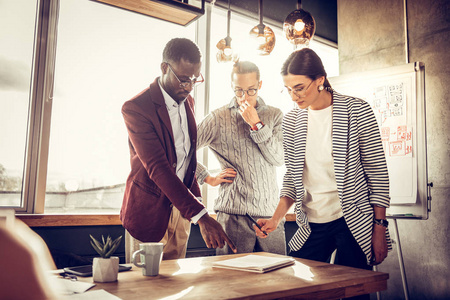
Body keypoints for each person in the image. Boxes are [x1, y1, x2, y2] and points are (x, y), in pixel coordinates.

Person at [256, 49, 391, 297]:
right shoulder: (291, 121)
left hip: (351, 220)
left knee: (354, 293)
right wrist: (275, 219)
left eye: (299, 87)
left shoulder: (356, 111)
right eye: (288, 89)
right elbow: (292, 177)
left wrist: (379, 227)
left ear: (320, 80)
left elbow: (377, 173)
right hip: (312, 222)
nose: (294, 96)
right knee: (297, 291)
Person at [121, 38, 236, 261]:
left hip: (182, 214)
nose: (189, 87)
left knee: (175, 288)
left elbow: (185, 159)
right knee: (145, 291)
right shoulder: (136, 108)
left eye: (195, 79)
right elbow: (159, 168)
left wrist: (196, 206)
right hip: (148, 215)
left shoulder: (188, 102)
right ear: (165, 68)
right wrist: (202, 217)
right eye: (184, 80)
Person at [196, 61, 286, 255]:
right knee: (232, 281)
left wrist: (257, 125)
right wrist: (207, 177)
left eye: (251, 90)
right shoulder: (217, 118)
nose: (244, 97)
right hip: (232, 216)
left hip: (271, 214)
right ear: (232, 87)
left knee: (278, 279)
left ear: (260, 85)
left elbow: (278, 159)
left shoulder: (275, 115)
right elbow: (181, 151)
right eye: (238, 91)